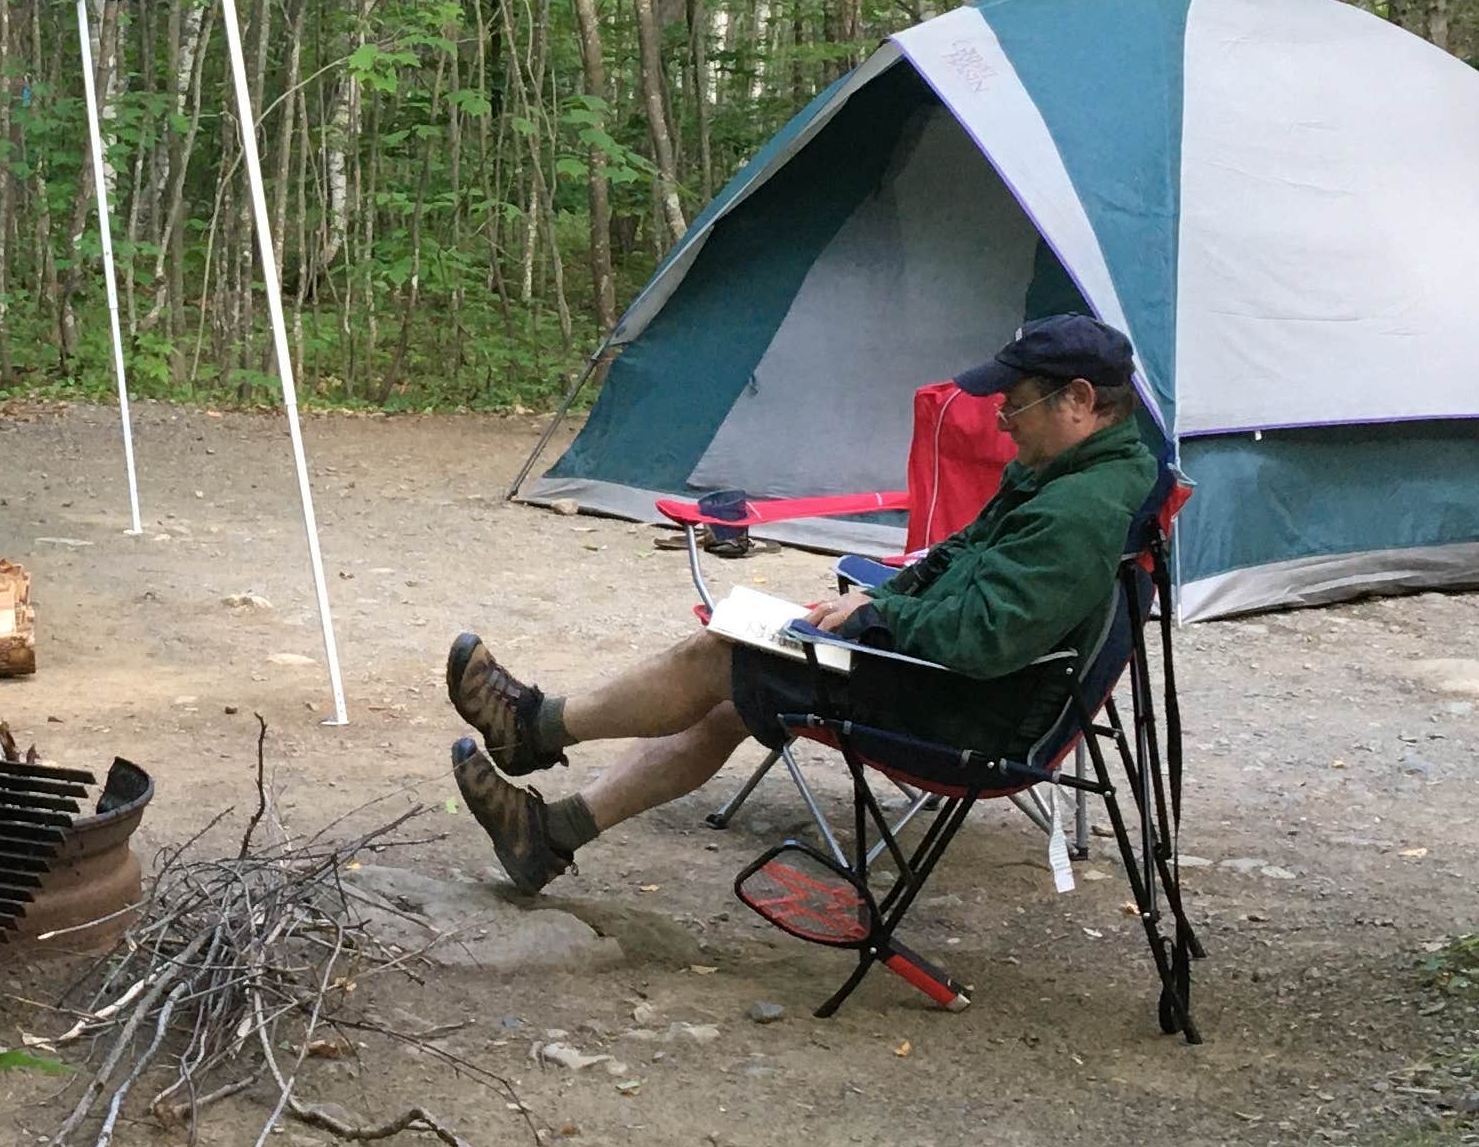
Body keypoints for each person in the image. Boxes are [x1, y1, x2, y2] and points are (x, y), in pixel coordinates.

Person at [443, 314, 1161, 893]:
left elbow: (985, 639)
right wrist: (879, 597)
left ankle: (534, 729)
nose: (1001, 415)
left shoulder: (1080, 509)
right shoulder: (1064, 474)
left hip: (964, 709)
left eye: (1017, 399)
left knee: (722, 652)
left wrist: (881, 620)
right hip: (948, 674)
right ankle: (548, 836)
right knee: (735, 680)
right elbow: (952, 556)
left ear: (1079, 399)